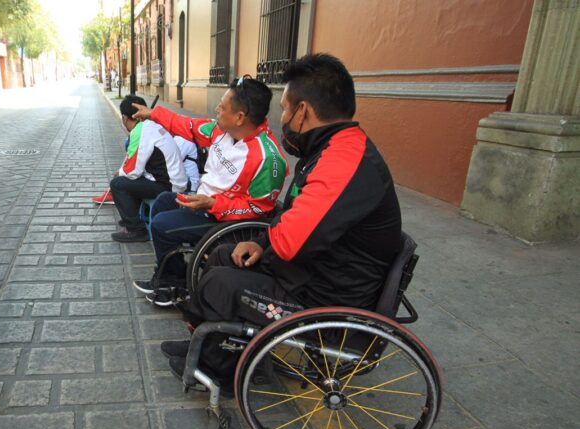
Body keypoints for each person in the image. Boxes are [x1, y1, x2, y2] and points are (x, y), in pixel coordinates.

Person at [162, 53, 404, 392]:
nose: (284, 119)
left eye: (287, 110)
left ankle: (221, 372)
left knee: (221, 281)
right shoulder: (335, 148)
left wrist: (267, 248)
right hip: (320, 269)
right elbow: (293, 217)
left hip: (327, 298)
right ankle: (204, 346)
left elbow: (294, 243)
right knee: (222, 254)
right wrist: (260, 243)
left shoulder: (343, 162)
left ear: (303, 111)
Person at [130, 76, 287, 306]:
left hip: (225, 220)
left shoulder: (267, 158)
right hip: (206, 202)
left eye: (222, 107)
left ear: (240, 117)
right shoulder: (220, 130)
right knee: (164, 201)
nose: (216, 109)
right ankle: (171, 274)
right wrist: (153, 114)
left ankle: (175, 283)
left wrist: (213, 205)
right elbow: (188, 125)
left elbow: (258, 208)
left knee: (162, 225)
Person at [110, 95, 189, 242]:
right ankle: (133, 217)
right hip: (174, 181)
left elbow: (133, 171)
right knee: (129, 179)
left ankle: (136, 229)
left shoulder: (140, 131)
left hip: (169, 186)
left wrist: (120, 173)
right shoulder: (152, 125)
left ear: (124, 118)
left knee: (117, 184)